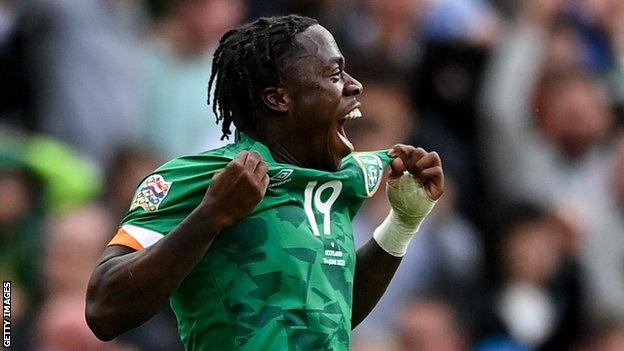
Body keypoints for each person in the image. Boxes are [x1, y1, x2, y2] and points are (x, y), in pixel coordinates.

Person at [85, 15, 444, 350]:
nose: (355, 86)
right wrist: (211, 215)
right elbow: (103, 310)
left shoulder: (334, 183)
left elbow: (329, 319)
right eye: (334, 74)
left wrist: (401, 224)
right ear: (279, 98)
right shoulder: (203, 177)